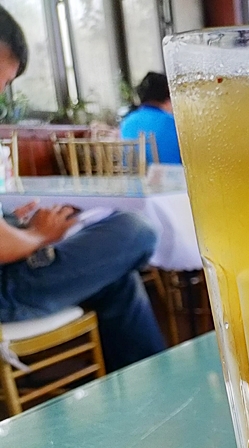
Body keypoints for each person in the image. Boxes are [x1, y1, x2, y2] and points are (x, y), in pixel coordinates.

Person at [0, 7, 165, 371]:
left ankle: (149, 384)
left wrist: (22, 226)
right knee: (134, 230)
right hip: (5, 289)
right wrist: (40, 235)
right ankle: (154, 383)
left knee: (117, 277)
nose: (3, 91)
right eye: (4, 80)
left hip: (13, 265)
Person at [121, 72, 181, 164]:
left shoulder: (127, 121)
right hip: (169, 176)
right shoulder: (172, 123)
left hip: (133, 177)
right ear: (168, 96)